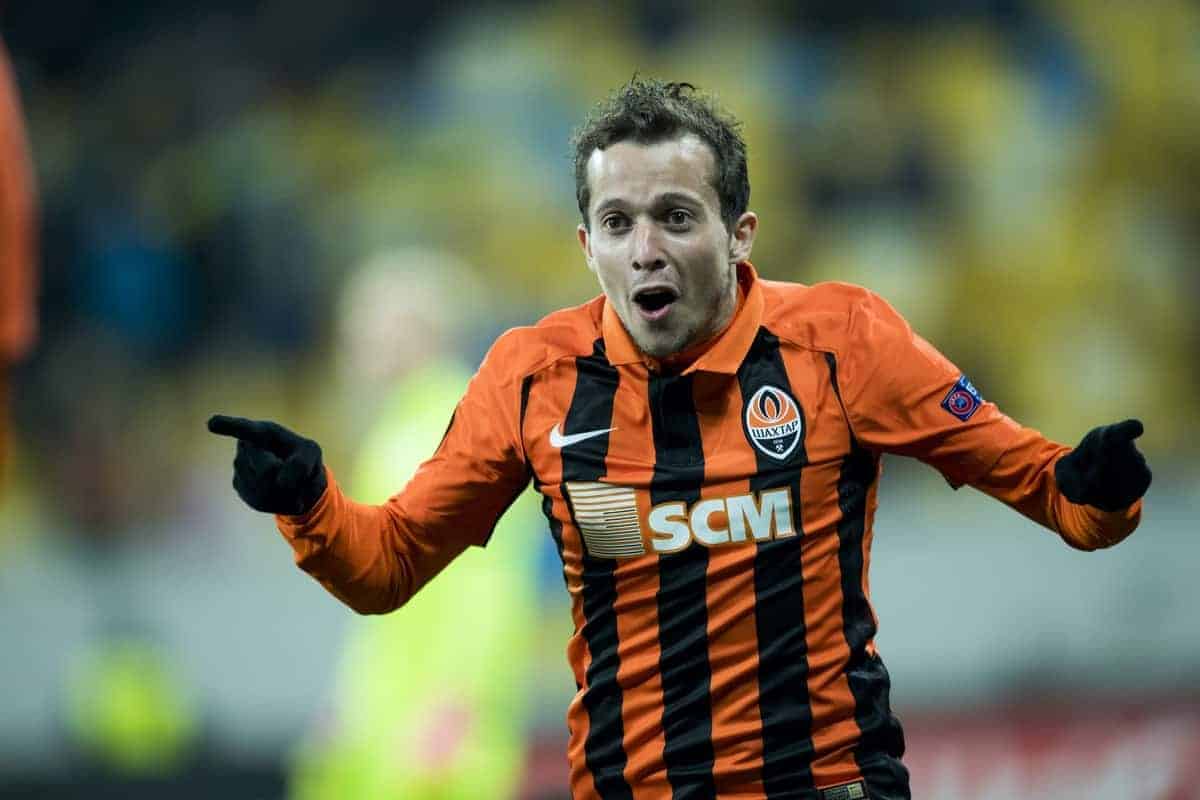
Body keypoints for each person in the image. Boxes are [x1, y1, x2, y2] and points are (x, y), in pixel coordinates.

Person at [209, 79, 1151, 800]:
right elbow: (389, 566)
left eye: (674, 217)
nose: (644, 249)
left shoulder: (843, 342)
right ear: (587, 246)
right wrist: (310, 505)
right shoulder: (531, 377)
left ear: (740, 234)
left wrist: (1101, 490)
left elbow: (1055, 492)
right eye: (617, 223)